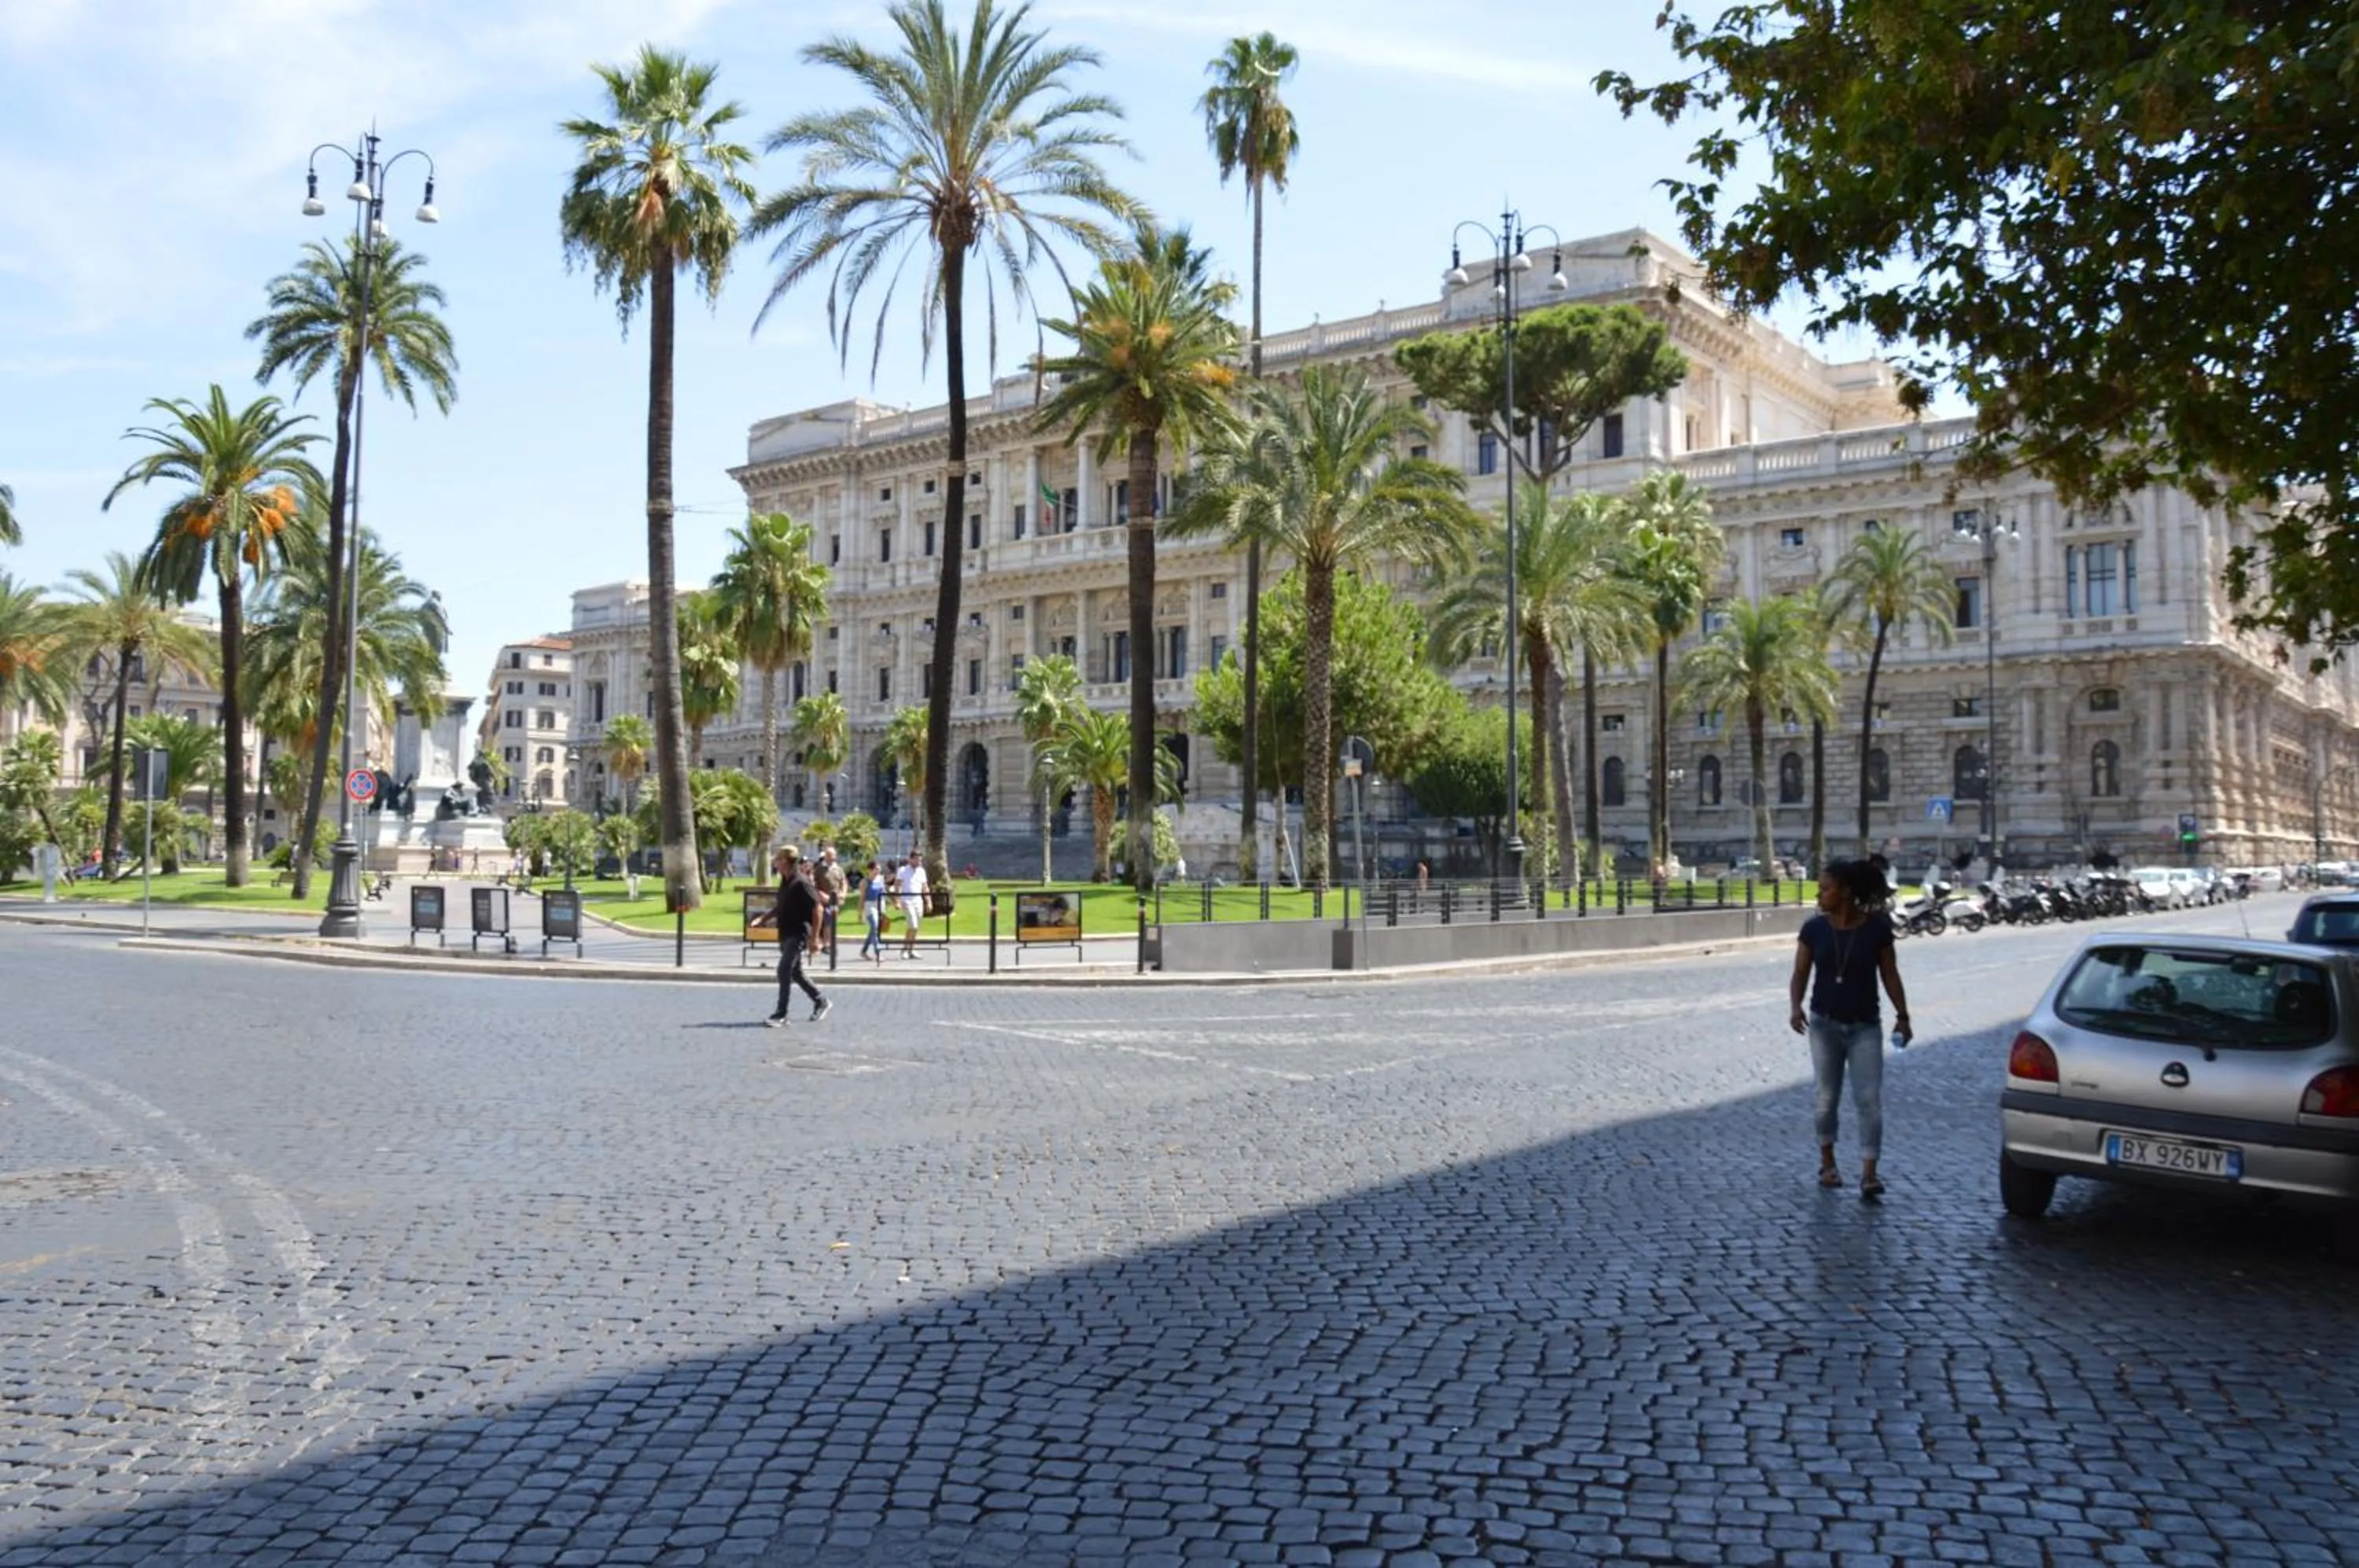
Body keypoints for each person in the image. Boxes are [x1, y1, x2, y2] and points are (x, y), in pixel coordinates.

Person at [1787, 856, 1911, 1199]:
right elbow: (1800, 972)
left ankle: (1869, 1173)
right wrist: (1795, 1006)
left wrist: (1903, 1015)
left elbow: (1889, 975)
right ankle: (1827, 1164)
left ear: (1844, 891)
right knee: (1826, 1098)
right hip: (1824, 1024)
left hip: (1865, 1027)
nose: (1819, 895)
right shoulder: (1814, 929)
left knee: (1869, 1099)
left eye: (1825, 888)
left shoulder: (1876, 929)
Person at [752, 845, 830, 1027]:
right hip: (785, 933)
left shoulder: (801, 882)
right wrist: (764, 918)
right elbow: (781, 906)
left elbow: (817, 907)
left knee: (784, 969)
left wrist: (814, 939)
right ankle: (821, 1000)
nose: (775, 862)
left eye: (778, 859)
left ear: (786, 861)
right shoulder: (786, 881)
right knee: (796, 972)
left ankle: (781, 1014)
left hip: (798, 934)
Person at [814, 845, 848, 955]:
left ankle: (829, 943)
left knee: (832, 922)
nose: (832, 857)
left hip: (835, 900)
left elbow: (844, 883)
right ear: (826, 856)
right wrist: (821, 894)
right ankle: (826, 944)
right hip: (824, 900)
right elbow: (814, 885)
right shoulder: (819, 869)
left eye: (833, 855)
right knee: (828, 921)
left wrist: (843, 893)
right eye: (830, 855)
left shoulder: (838, 869)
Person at [896, 851, 929, 959]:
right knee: (913, 925)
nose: (919, 862)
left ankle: (911, 949)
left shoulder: (921, 871)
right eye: (917, 859)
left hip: (918, 900)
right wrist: (898, 900)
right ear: (911, 859)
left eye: (920, 860)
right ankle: (904, 949)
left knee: (915, 927)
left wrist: (928, 901)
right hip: (907, 899)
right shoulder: (903, 870)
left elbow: (925, 887)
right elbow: (898, 886)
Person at [859, 859, 888, 963]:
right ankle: (878, 953)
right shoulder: (865, 882)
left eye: (879, 869)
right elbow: (862, 898)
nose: (878, 871)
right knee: (875, 927)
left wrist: (894, 902)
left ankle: (864, 951)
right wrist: (860, 913)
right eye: (876, 869)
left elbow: (884, 892)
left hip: (880, 905)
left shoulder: (880, 879)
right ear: (870, 870)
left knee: (874, 930)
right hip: (869, 906)